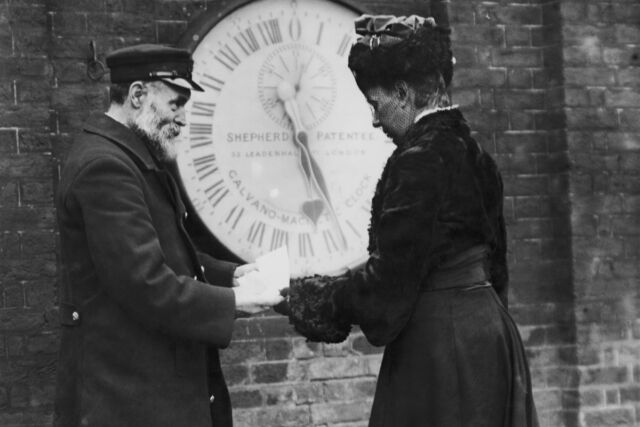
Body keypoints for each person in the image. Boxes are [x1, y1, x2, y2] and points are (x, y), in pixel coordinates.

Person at [276, 15, 539, 427]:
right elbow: (495, 266)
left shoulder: (419, 162)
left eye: (375, 104)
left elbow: (388, 290)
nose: (376, 120)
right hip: (488, 336)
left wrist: (309, 297)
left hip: (441, 344)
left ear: (402, 93)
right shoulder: (476, 154)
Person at [54, 44, 283, 427]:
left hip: (143, 390)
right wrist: (236, 301)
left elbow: (166, 250)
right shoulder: (105, 167)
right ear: (138, 95)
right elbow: (145, 282)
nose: (182, 118)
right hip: (125, 398)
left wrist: (230, 275)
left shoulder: (131, 158)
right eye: (176, 103)